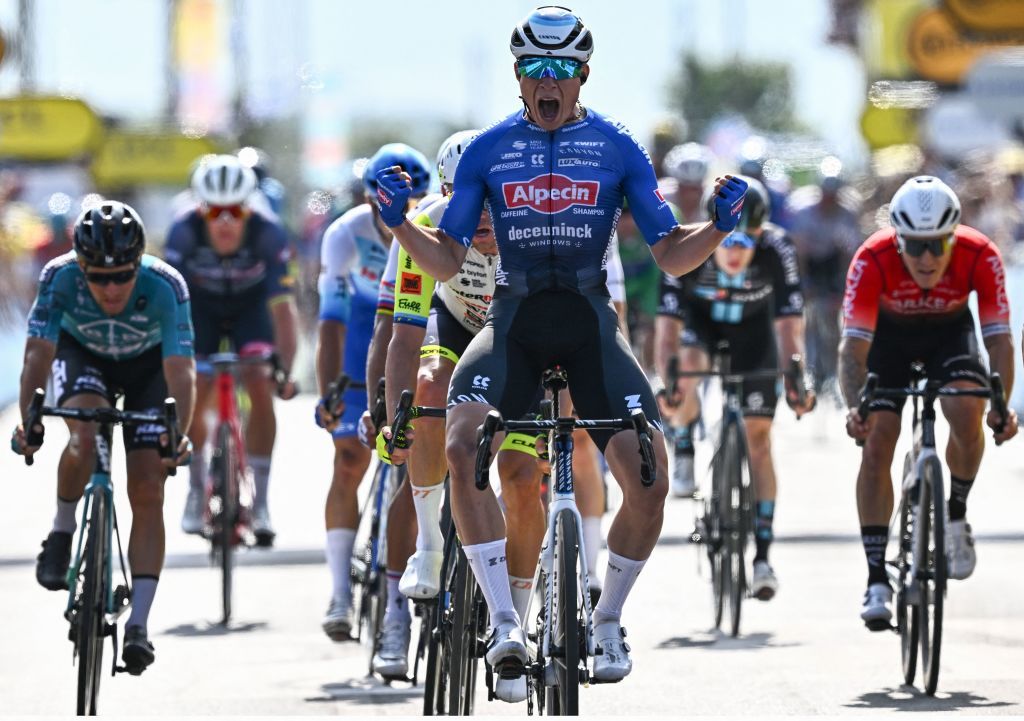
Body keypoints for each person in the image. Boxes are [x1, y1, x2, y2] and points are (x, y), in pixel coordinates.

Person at [373, 5, 748, 695]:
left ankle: (606, 617)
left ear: (584, 74)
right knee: (460, 446)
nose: (550, 81)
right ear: (518, 75)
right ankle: (506, 622)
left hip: (589, 328)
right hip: (512, 325)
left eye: (563, 69)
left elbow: (669, 252)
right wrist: (400, 225)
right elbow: (449, 254)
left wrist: (717, 230)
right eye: (536, 69)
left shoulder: (616, 146)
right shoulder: (489, 149)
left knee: (651, 478)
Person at [11, 201, 195, 675]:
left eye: (122, 276)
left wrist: (179, 435)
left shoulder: (167, 285)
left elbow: (180, 370)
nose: (110, 288)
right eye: (97, 276)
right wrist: (29, 419)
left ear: (139, 265)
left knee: (149, 487)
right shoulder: (58, 277)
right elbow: (37, 353)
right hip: (82, 357)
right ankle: (62, 529)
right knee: (83, 430)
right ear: (80, 267)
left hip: (147, 370)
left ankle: (139, 625)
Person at [840, 175, 1018, 629]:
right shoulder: (872, 258)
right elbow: (852, 351)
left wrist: (1001, 403)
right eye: (914, 246)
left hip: (949, 338)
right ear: (897, 238)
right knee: (879, 438)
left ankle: (955, 514)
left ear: (953, 239)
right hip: (888, 342)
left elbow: (999, 340)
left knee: (966, 409)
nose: (925, 258)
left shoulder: (981, 254)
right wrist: (856, 407)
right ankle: (877, 577)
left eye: (937, 246)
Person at [654, 179, 815, 596]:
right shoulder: (688, 243)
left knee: (758, 440)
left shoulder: (778, 251)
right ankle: (685, 446)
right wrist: (670, 384)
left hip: (755, 337)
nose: (737, 251)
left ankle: (762, 556)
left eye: (748, 241)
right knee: (685, 365)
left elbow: (790, 327)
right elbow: (666, 332)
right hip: (701, 331)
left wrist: (797, 377)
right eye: (729, 240)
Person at [314, 142, 432, 641]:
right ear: (368, 199)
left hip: (416, 343)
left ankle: (400, 597)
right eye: (386, 205)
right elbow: (330, 324)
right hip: (361, 343)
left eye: (411, 204)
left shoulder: (431, 229)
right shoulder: (344, 235)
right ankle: (339, 592)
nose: (397, 217)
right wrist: (328, 391)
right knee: (348, 461)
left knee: (414, 467)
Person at [166, 154, 299, 546]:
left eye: (235, 211)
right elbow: (170, 306)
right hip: (201, 309)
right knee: (197, 387)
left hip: (250, 310)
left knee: (259, 380)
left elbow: (284, 310)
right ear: (200, 209)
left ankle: (261, 499)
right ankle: (194, 488)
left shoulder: (269, 233)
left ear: (249, 207)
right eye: (215, 212)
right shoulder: (182, 232)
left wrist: (285, 371)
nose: (225, 222)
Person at [788, 169, 862, 395]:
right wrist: (803, 283)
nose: (829, 200)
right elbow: (798, 251)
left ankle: (835, 369)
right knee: (807, 319)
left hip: (832, 264)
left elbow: (848, 254)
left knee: (832, 320)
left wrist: (843, 287)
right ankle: (809, 367)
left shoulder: (847, 213)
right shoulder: (804, 212)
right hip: (809, 263)